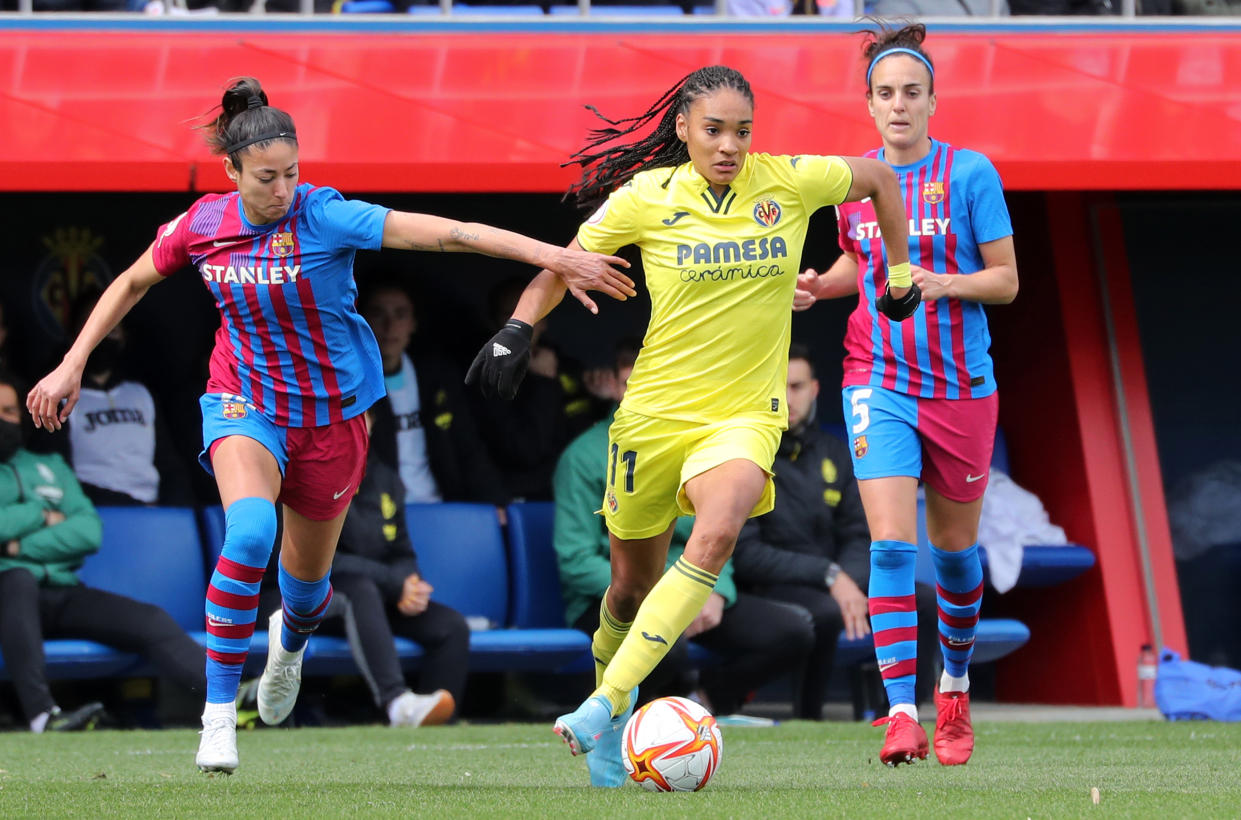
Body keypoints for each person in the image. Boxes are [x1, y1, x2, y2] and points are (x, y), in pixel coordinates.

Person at [25, 77, 632, 775]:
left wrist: (551, 256)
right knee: (250, 532)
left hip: (333, 420)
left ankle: (290, 642)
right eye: (265, 178)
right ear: (232, 172)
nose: (282, 188)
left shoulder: (325, 215)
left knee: (306, 589)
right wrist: (71, 364)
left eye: (291, 173)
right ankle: (219, 716)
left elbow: (449, 235)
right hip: (243, 403)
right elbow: (131, 281)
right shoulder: (203, 225)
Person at [467, 64, 913, 787]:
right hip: (652, 418)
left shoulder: (791, 181)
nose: (730, 144)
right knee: (624, 590)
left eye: (742, 131)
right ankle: (614, 727)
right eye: (713, 130)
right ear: (682, 129)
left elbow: (881, 180)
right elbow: (563, 263)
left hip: (742, 415)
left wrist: (896, 274)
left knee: (716, 532)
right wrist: (518, 328)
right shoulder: (646, 196)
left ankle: (603, 702)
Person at [795, 23, 1019, 766]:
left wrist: (940, 283)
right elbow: (859, 262)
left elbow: (1006, 281)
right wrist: (820, 286)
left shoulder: (969, 173)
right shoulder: (849, 179)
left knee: (954, 557)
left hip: (960, 388)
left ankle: (952, 687)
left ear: (931, 101)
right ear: (867, 105)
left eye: (911, 93)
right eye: (885, 94)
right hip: (876, 379)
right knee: (891, 544)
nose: (898, 106)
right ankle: (899, 715)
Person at [553, 350, 813, 727]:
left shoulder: (699, 441)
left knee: (793, 631)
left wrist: (716, 590)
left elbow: (718, 530)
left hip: (695, 585)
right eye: (630, 384)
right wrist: (667, 597)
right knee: (663, 644)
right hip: (614, 596)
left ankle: (700, 706)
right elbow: (576, 559)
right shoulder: (581, 456)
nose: (640, 392)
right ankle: (634, 723)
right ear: (611, 387)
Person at [732, 344, 937, 720]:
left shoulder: (837, 452)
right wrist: (829, 577)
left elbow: (861, 532)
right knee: (825, 612)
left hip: (840, 579)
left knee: (920, 598)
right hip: (773, 586)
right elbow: (746, 555)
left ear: (814, 390)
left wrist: (848, 579)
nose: (788, 398)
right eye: (778, 388)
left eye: (796, 387)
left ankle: (900, 714)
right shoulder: (746, 454)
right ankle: (810, 719)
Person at [0, 367, 207, 733]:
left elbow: (87, 531)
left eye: (10, 411)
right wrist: (40, 513)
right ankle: (41, 717)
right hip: (8, 596)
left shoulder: (49, 465)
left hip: (59, 591)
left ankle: (229, 700)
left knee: (149, 619)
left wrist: (16, 543)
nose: (5, 420)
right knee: (16, 579)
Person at [312, 408, 465, 728]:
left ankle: (434, 728)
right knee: (358, 590)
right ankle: (397, 702)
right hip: (313, 600)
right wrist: (395, 584)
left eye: (362, 415)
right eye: (343, 416)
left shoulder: (383, 477)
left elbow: (402, 550)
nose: (354, 423)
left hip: (381, 596)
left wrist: (410, 584)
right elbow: (321, 560)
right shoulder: (311, 472)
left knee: (451, 626)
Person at [359, 276, 508, 510]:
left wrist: (495, 503)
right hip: (377, 517)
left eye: (400, 315)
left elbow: (467, 444)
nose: (389, 326)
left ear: (413, 324)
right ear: (362, 320)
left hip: (436, 506)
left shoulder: (436, 376)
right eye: (378, 314)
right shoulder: (347, 383)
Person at [59, 289, 193, 507]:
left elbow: (170, 465)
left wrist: (172, 508)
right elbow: (58, 475)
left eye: (113, 324)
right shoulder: (59, 400)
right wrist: (128, 506)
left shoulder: (141, 394)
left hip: (154, 510)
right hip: (92, 513)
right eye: (93, 323)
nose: (105, 332)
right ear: (75, 333)